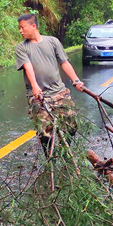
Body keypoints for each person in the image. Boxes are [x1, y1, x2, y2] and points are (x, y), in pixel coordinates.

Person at [14, 13, 85, 156]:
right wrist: (34, 86)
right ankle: (49, 158)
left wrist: (76, 80)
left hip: (59, 92)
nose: (20, 31)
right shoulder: (21, 48)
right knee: (45, 132)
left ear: (33, 26)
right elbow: (28, 67)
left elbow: (64, 62)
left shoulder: (53, 42)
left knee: (71, 125)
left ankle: (66, 153)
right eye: (19, 28)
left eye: (23, 27)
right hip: (39, 95)